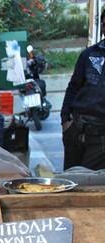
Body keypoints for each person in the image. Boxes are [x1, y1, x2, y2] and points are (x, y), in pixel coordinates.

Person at [60, 10, 105, 170]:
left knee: (88, 186)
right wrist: (65, 120)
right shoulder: (89, 54)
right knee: (69, 182)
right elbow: (73, 87)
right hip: (75, 129)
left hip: (101, 136)